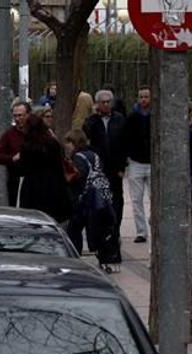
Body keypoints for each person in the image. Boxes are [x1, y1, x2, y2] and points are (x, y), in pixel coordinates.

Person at [65, 129, 121, 272]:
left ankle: (74, 259)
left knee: (74, 229)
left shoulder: (78, 157)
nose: (67, 145)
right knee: (99, 230)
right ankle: (106, 260)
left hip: (84, 199)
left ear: (75, 142)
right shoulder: (94, 155)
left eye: (69, 142)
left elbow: (79, 175)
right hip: (99, 199)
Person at [83, 89, 126, 264]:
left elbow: (124, 142)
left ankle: (114, 243)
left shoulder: (119, 120)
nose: (107, 105)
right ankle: (102, 245)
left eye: (109, 102)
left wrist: (122, 166)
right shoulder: (92, 121)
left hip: (115, 169)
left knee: (116, 205)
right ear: (97, 104)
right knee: (100, 206)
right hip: (99, 169)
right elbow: (87, 137)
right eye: (103, 102)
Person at [14, 114, 72, 225]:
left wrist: (17, 159)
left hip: (33, 190)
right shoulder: (52, 143)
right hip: (54, 188)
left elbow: (21, 169)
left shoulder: (28, 147)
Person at [123, 86, 153, 244]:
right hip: (136, 162)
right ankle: (141, 231)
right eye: (141, 97)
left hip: (152, 162)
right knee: (136, 199)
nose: (143, 100)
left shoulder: (156, 116)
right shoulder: (132, 117)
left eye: (146, 97)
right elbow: (126, 137)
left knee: (154, 198)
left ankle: (153, 225)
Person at [0, 101, 31, 206]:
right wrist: (12, 158)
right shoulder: (9, 135)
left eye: (20, 116)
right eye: (15, 116)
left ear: (28, 115)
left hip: (35, 179)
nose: (18, 119)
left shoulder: (35, 132)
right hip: (17, 180)